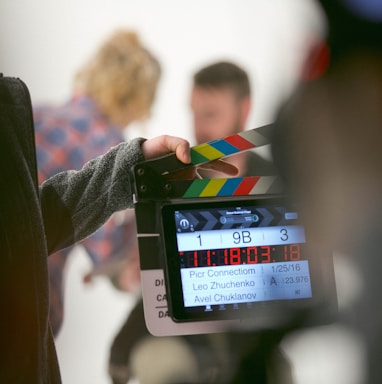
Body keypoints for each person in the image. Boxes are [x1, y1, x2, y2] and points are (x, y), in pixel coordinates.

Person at [0, 74, 193, 383]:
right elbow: (105, 250)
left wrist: (134, 166)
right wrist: (123, 261)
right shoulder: (104, 137)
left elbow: (24, 219)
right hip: (25, 305)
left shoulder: (43, 111)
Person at [108, 61, 291, 384]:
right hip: (181, 334)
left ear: (244, 109)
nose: (199, 128)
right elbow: (135, 266)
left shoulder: (279, 181)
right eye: (194, 113)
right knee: (158, 366)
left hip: (255, 335)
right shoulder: (172, 181)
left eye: (211, 114)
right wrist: (124, 274)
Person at [33, 29, 161, 335]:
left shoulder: (35, 113)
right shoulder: (112, 149)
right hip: (26, 297)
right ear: (140, 99)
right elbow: (105, 249)